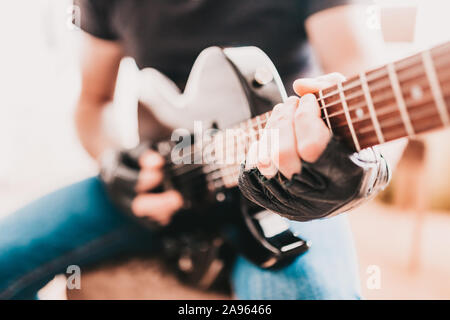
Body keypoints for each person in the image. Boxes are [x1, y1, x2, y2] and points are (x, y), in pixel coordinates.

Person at [0, 0, 401, 300]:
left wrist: (368, 166)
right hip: (169, 178)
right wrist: (112, 159)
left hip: (292, 185)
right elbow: (92, 102)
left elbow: (363, 74)